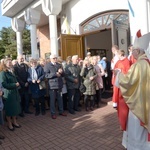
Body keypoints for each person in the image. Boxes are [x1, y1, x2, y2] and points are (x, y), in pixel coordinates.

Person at [115, 46, 150, 149]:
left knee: (136, 129)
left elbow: (128, 82)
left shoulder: (138, 65)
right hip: (147, 102)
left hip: (138, 104)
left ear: (138, 51)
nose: (131, 52)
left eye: (132, 50)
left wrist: (118, 74)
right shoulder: (148, 62)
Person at [0, 58, 21, 131]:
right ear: (5, 64)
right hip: (8, 94)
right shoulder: (3, 73)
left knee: (15, 109)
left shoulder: (12, 71)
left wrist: (16, 84)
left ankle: (14, 122)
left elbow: (16, 81)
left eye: (10, 62)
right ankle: (9, 123)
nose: (10, 64)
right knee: (9, 110)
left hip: (14, 93)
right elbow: (4, 84)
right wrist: (14, 84)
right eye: (8, 63)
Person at [112, 50, 130, 132]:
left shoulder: (127, 61)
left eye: (117, 55)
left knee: (124, 105)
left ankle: (124, 123)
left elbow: (128, 73)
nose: (117, 56)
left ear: (120, 54)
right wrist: (116, 71)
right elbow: (114, 70)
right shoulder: (118, 61)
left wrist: (120, 72)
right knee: (119, 105)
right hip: (118, 84)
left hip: (124, 85)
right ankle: (121, 123)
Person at [44, 54, 67, 119]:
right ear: (51, 59)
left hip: (59, 85)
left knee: (60, 99)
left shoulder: (59, 65)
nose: (55, 59)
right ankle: (53, 113)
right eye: (54, 58)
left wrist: (61, 72)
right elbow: (46, 75)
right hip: (52, 86)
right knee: (52, 100)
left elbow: (63, 75)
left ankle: (61, 111)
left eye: (56, 58)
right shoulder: (47, 66)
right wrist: (55, 74)